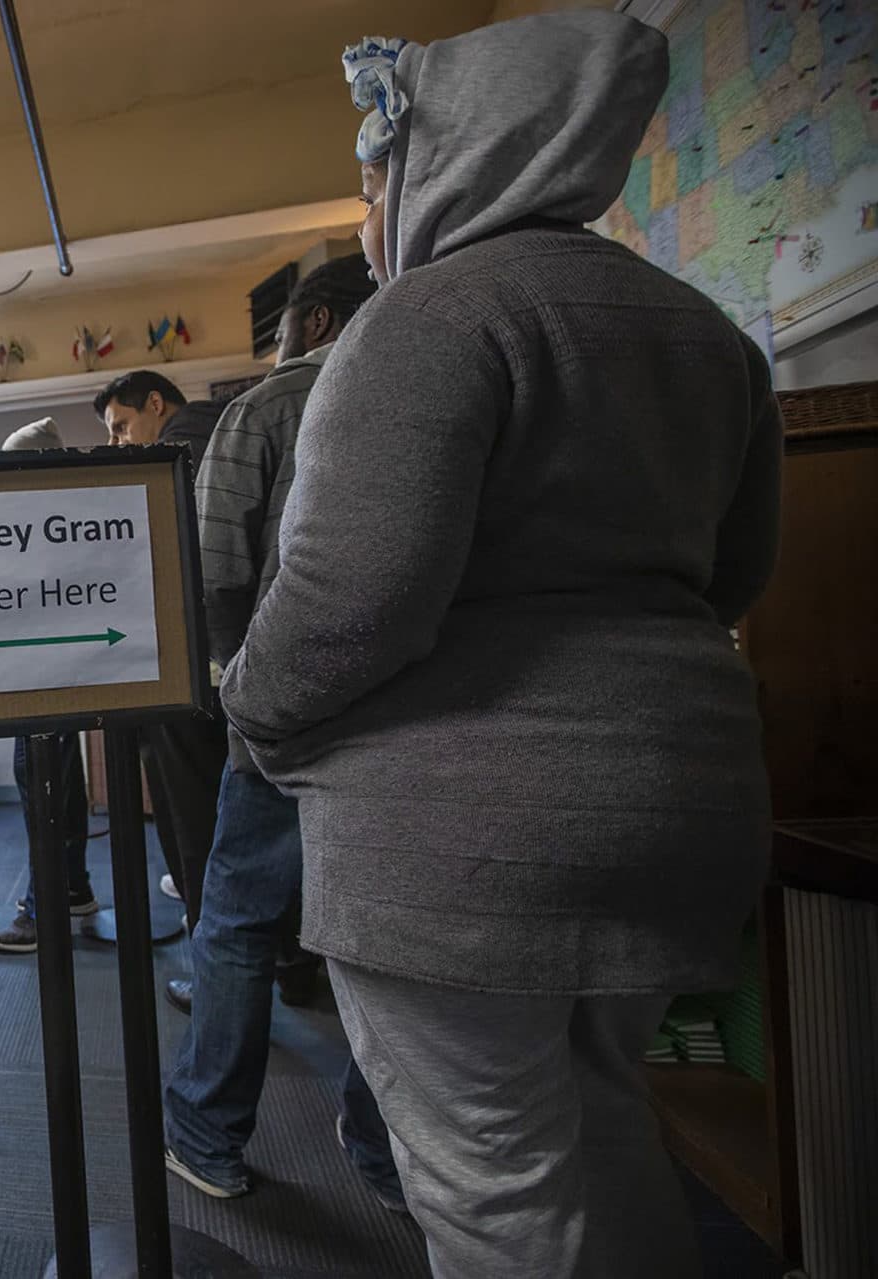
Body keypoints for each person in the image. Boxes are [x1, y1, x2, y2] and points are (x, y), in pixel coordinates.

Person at [227, 15, 780, 1275]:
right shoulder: (710, 336)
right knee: (607, 1131)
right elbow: (735, 577)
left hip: (463, 848)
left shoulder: (426, 319)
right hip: (678, 811)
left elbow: (350, 601)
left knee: (490, 1183)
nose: (371, 211)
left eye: (376, 175)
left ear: (455, 153)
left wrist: (252, 714)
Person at [162, 255, 395, 1208]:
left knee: (237, 922)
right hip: (400, 714)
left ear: (314, 319)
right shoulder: (435, 387)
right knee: (378, 934)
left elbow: (215, 563)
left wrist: (232, 691)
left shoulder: (267, 407)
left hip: (282, 707)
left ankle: (208, 1134)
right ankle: (381, 1151)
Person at [93, 372, 227, 955]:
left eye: (122, 426)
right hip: (239, 661)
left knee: (190, 818)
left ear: (155, 403)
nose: (120, 441)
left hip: (183, 661)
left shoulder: (172, 460)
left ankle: (211, 951)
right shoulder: (233, 432)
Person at [0, 418, 100, 953]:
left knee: (40, 786)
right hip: (58, 672)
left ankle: (43, 909)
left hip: (42, 677)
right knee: (63, 781)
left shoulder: (44, 517)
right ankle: (73, 888)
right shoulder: (61, 513)